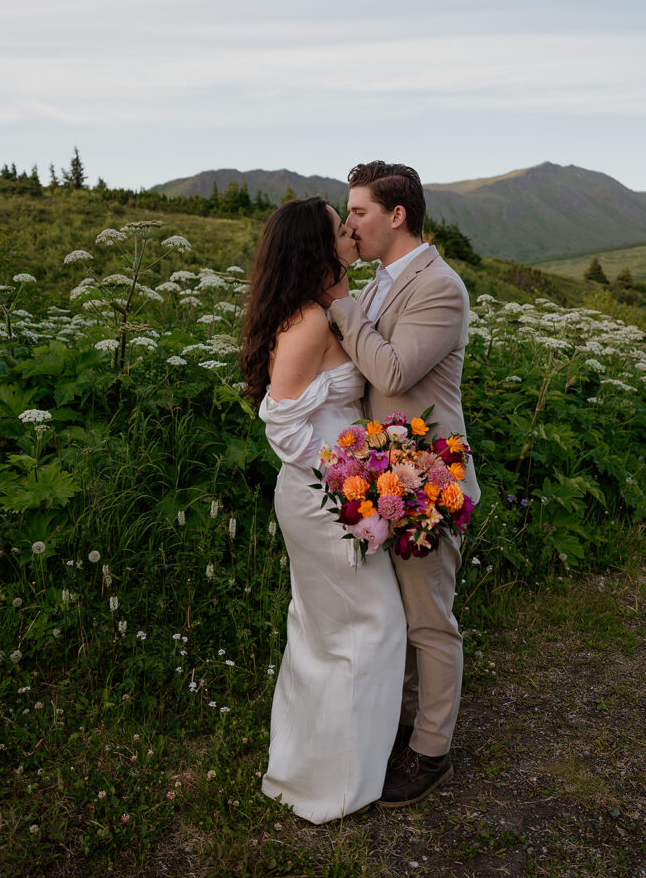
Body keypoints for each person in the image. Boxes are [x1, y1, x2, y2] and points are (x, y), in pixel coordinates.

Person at [241, 197, 407, 824]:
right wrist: (350, 486)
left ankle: (321, 768)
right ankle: (337, 781)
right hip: (321, 499)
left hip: (332, 493)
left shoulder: (327, 311)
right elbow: (281, 429)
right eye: (342, 229)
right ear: (319, 247)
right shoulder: (309, 321)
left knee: (328, 631)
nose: (350, 234)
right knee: (369, 626)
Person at [324, 160, 480, 808]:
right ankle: (390, 724)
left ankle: (431, 751)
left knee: (429, 623)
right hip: (382, 479)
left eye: (357, 211)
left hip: (428, 482)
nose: (348, 224)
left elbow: (389, 368)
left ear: (395, 215)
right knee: (390, 620)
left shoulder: (438, 286)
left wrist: (336, 303)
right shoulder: (380, 282)